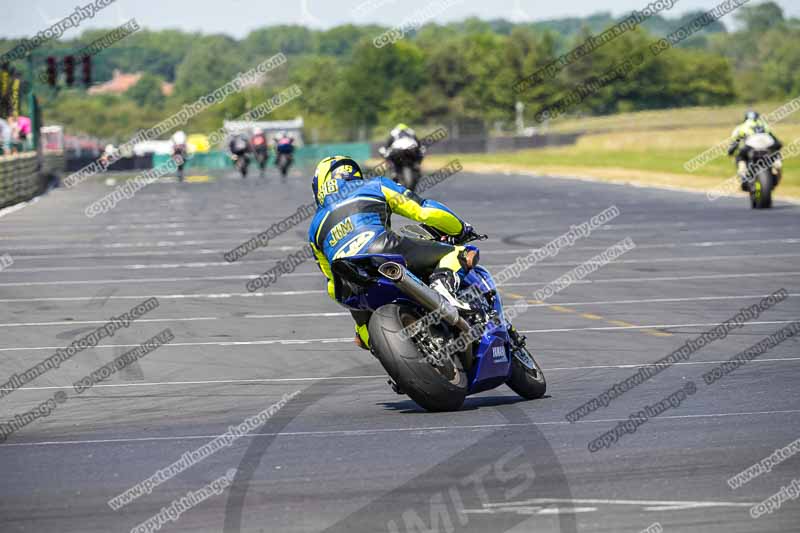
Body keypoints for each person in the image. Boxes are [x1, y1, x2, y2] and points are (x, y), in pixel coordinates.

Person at [308, 155, 476, 350]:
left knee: (360, 325)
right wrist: (460, 228)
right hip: (381, 248)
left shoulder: (314, 227)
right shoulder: (375, 185)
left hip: (348, 276)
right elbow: (425, 211)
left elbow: (330, 281)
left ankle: (370, 339)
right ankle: (443, 288)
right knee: (460, 253)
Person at [728, 110, 783, 190]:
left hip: (750, 145)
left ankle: (743, 175)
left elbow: (735, 143)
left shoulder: (741, 126)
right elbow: (776, 141)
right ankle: (776, 171)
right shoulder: (764, 125)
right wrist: (778, 147)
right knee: (776, 157)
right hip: (767, 144)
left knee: (740, 158)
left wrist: (730, 152)